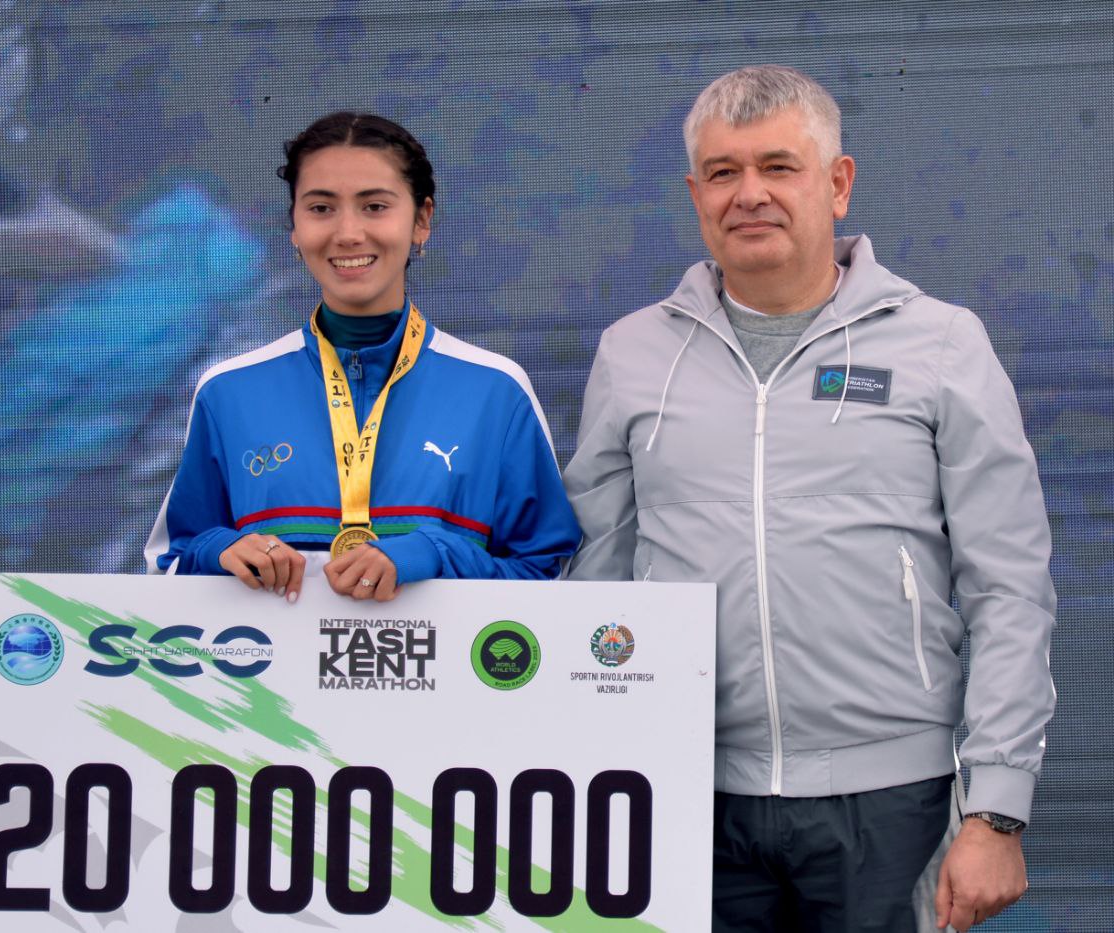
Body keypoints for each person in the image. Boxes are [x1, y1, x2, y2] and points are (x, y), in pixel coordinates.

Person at [563, 66, 1055, 932]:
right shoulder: (633, 353)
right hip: (685, 791)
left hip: (893, 801)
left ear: (837, 183)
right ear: (695, 194)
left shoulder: (941, 343)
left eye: (778, 166)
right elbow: (595, 575)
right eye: (723, 172)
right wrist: (590, 768)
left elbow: (1009, 585)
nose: (749, 193)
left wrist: (997, 808)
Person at [146, 112, 579, 600]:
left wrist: (435, 553)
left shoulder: (496, 391)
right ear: (294, 228)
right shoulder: (228, 391)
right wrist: (219, 550)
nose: (348, 233)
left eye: (374, 206)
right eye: (321, 208)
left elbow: (553, 579)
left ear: (421, 220)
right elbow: (167, 567)